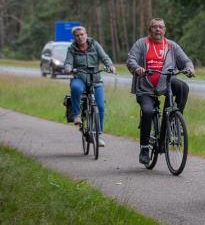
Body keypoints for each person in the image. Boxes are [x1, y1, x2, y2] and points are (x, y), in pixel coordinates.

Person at [126, 18, 195, 165]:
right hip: (145, 87)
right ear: (149, 29)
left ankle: (174, 121)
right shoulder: (141, 44)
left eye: (161, 27)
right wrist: (137, 69)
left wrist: (189, 68)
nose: (158, 29)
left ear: (165, 30)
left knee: (183, 87)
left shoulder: (171, 45)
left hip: (166, 83)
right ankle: (144, 148)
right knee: (148, 111)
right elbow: (131, 60)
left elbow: (186, 61)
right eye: (155, 27)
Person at [64, 26, 116, 147]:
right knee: (76, 88)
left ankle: (98, 135)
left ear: (86, 35)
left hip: (95, 79)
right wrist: (68, 68)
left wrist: (110, 66)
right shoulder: (72, 49)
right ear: (75, 38)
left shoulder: (94, 45)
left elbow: (105, 57)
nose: (80, 37)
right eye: (77, 35)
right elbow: (68, 62)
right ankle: (77, 115)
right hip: (80, 77)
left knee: (101, 106)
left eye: (82, 34)